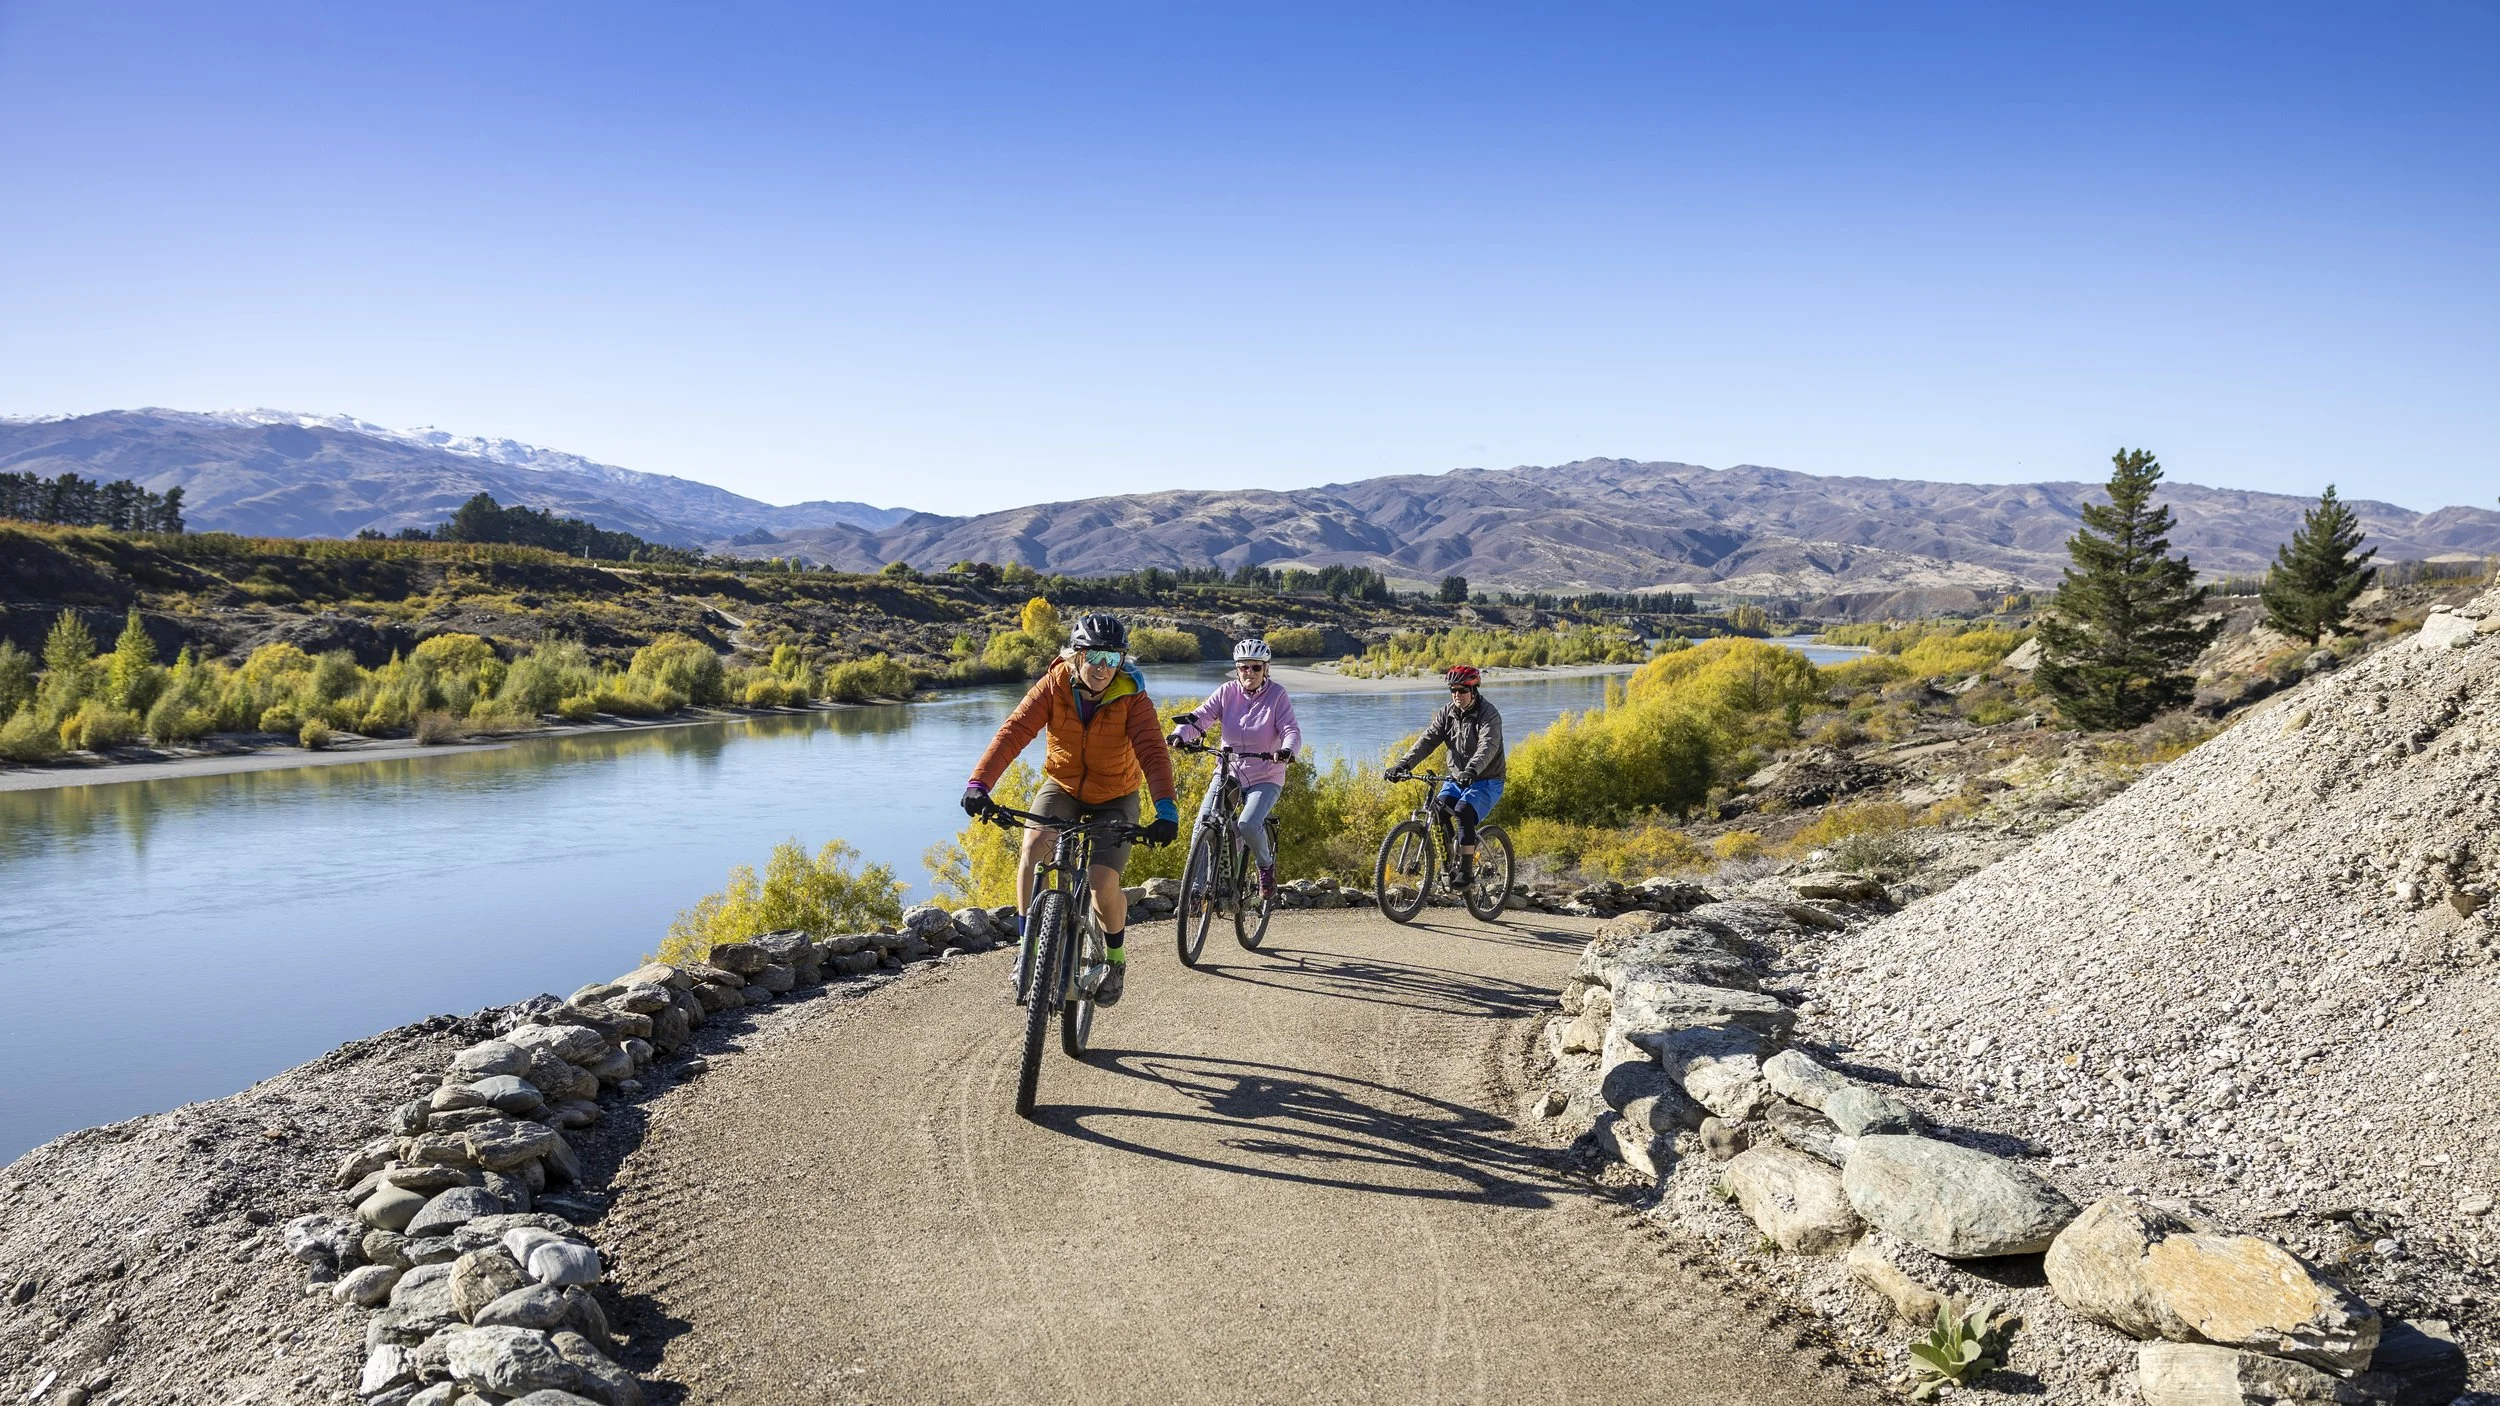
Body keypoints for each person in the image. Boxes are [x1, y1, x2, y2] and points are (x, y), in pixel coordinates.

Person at [960, 612, 1179, 1007]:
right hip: (1063, 787)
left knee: (1101, 881)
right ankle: (1028, 950)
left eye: (1112, 658)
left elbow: (1153, 752)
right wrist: (979, 784)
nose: (1103, 668)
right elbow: (1014, 731)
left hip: (1116, 795)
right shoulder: (1054, 685)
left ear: (1122, 661)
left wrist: (1166, 810)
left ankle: (1115, 960)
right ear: (1076, 656)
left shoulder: (1133, 697)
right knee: (1034, 848)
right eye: (1094, 656)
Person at [1167, 637, 1304, 901]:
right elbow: (1200, 717)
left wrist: (1288, 750)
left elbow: (1290, 729)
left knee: (1248, 824)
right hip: (1228, 772)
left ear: (1266, 669)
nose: (1249, 673)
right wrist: (1179, 734)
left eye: (1256, 667)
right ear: (1237, 668)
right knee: (1204, 822)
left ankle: (1265, 866)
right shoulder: (1226, 692)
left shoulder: (1277, 695)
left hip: (1266, 775)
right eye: (1243, 667)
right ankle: (1197, 890)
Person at [1385, 664, 1504, 882]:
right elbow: (1427, 740)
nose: (1457, 695)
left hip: (1486, 779)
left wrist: (1471, 770)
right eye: (1453, 690)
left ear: (1474, 690)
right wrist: (1403, 765)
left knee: (1463, 811)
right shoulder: (1447, 713)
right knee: (1438, 810)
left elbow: (1488, 746)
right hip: (1457, 778)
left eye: (1462, 690)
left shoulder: (1489, 714)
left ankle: (1466, 872)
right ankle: (1449, 865)